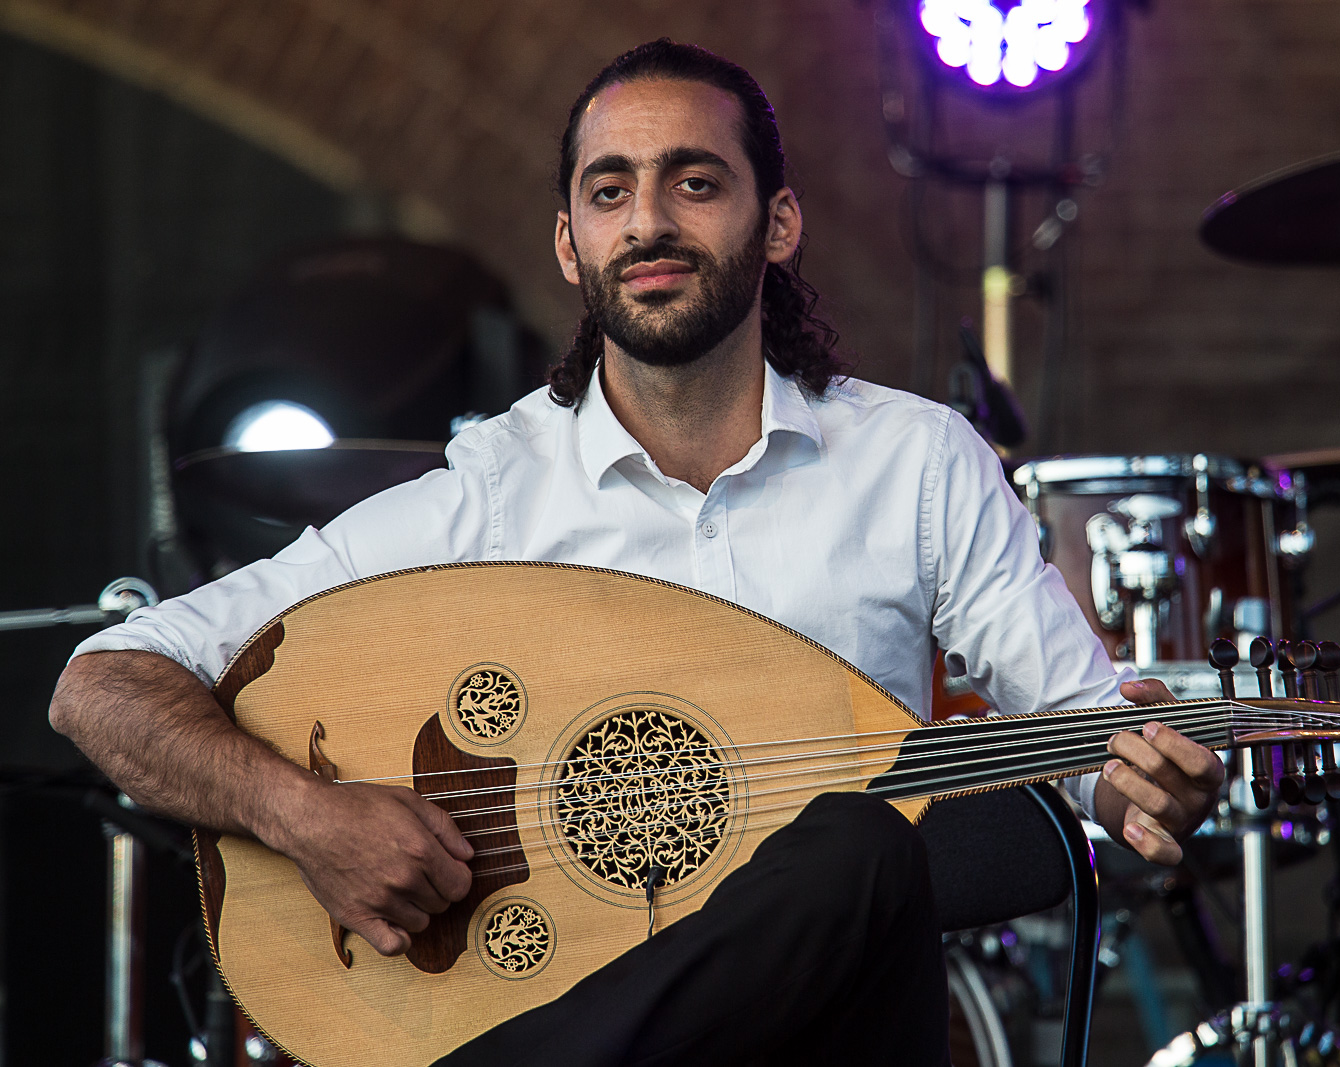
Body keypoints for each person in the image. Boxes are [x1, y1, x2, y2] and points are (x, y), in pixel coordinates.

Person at [50, 39, 1224, 1066]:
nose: (649, 222)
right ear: (570, 244)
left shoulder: (914, 462)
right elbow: (102, 681)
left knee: (860, 843)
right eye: (609, 191)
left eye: (694, 182)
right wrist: (307, 815)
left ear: (777, 222)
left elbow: (1087, 735)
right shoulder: (494, 495)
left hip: (831, 1027)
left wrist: (1140, 783)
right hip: (557, 990)